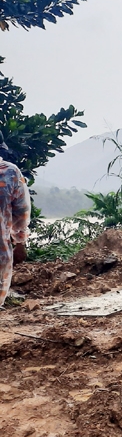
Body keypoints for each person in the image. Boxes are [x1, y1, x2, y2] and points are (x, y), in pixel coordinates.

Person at [0, 132, 30, 308]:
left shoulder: (10, 173)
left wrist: (20, 243)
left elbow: (21, 212)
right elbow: (21, 212)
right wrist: (20, 242)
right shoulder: (9, 173)